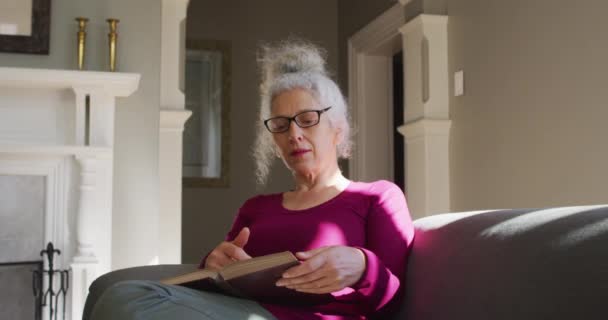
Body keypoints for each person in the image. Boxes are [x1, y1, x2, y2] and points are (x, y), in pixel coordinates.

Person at [90, 39, 414, 320]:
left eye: (307, 119)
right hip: (238, 308)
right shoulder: (256, 207)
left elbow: (398, 301)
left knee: (127, 298)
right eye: (282, 124)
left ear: (337, 129)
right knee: (105, 289)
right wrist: (213, 262)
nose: (294, 134)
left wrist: (362, 265)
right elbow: (219, 273)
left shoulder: (377, 196)